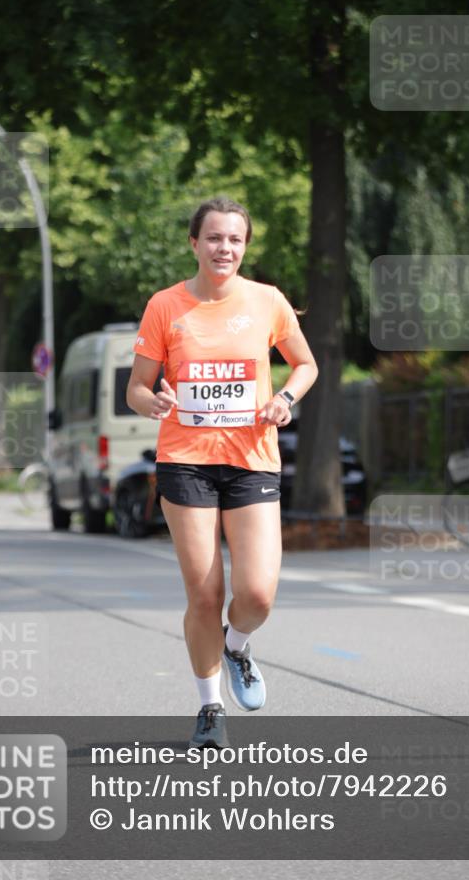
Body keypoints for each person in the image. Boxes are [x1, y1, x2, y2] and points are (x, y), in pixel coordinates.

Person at [127, 197, 318, 748]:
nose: (224, 248)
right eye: (214, 238)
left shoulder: (267, 301)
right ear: (194, 243)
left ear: (245, 246)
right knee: (205, 595)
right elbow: (136, 388)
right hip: (185, 461)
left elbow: (306, 365)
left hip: (251, 460)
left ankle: (236, 645)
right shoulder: (165, 306)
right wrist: (153, 401)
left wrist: (284, 398)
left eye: (235, 239)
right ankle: (210, 709)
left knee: (257, 594)